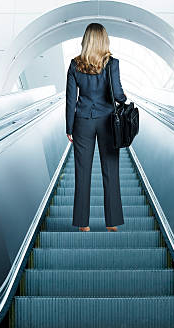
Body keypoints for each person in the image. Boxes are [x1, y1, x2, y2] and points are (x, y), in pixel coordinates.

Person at [65, 23, 127, 232]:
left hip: (82, 121)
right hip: (108, 121)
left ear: (86, 40)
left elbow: (70, 99)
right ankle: (111, 223)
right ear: (104, 40)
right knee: (110, 170)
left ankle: (83, 223)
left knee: (82, 172)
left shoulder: (75, 65)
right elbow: (118, 94)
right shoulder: (112, 63)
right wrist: (123, 98)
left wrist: (69, 127)